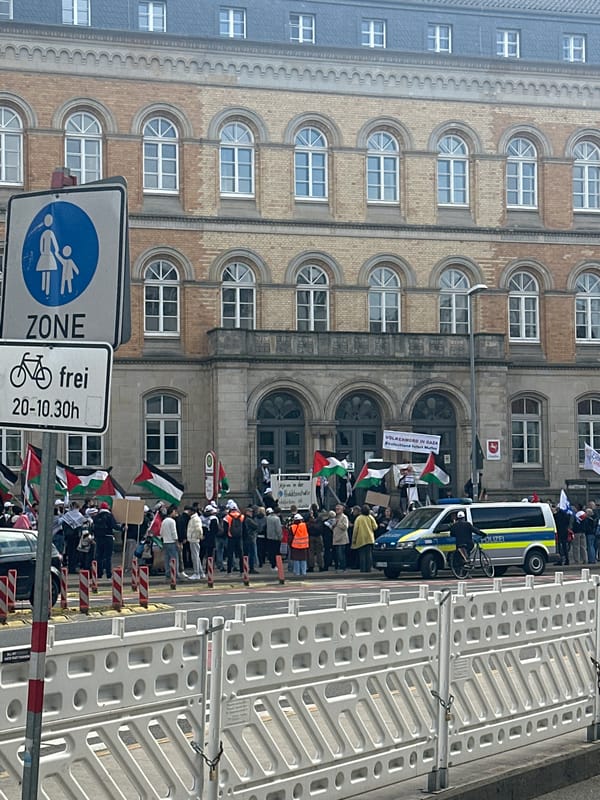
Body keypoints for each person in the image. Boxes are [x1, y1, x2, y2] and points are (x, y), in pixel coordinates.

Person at [92, 501, 118, 579]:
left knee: (99, 556)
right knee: (108, 557)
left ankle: (99, 573)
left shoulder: (96, 517)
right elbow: (114, 526)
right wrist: (123, 528)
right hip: (108, 537)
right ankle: (108, 574)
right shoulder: (109, 516)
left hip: (99, 538)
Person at [351, 504, 377, 572]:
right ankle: (369, 568)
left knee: (362, 555)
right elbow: (375, 527)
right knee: (369, 554)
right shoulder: (370, 517)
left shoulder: (359, 518)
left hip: (361, 538)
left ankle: (363, 569)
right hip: (370, 538)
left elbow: (355, 529)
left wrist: (353, 539)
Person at [160, 504, 181, 582]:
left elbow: (161, 532)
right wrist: (177, 542)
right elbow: (174, 533)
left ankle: (168, 573)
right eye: (175, 512)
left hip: (165, 542)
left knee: (167, 559)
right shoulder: (172, 521)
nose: (175, 513)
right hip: (172, 542)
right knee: (175, 559)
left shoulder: (164, 521)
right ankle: (175, 574)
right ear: (172, 512)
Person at [224, 501, 245, 574]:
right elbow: (244, 528)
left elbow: (225, 529)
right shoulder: (242, 516)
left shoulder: (227, 517)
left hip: (230, 537)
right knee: (240, 554)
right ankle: (242, 570)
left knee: (230, 554)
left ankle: (229, 571)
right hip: (239, 537)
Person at [186, 507, 206, 579]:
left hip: (194, 539)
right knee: (196, 556)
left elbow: (199, 529)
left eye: (189, 511)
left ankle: (196, 573)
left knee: (195, 557)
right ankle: (201, 572)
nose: (188, 512)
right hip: (193, 539)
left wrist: (198, 537)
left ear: (192, 511)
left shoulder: (195, 519)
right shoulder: (193, 518)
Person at [307, 504, 325, 572]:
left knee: (311, 552)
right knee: (319, 552)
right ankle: (321, 566)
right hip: (318, 536)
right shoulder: (320, 517)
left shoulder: (309, 517)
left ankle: (311, 566)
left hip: (311, 536)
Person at [552, 502, 571, 567]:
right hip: (565, 532)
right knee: (565, 547)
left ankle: (560, 560)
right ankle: (567, 560)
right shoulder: (566, 514)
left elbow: (555, 521)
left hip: (560, 532)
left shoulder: (558, 515)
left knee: (559, 547)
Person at [331, 504, 349, 572]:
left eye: (339, 509)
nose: (337, 510)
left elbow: (345, 527)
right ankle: (338, 567)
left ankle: (343, 567)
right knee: (337, 555)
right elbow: (332, 527)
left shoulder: (344, 517)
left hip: (342, 539)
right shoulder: (335, 517)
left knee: (341, 554)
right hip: (335, 538)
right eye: (336, 509)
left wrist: (338, 523)